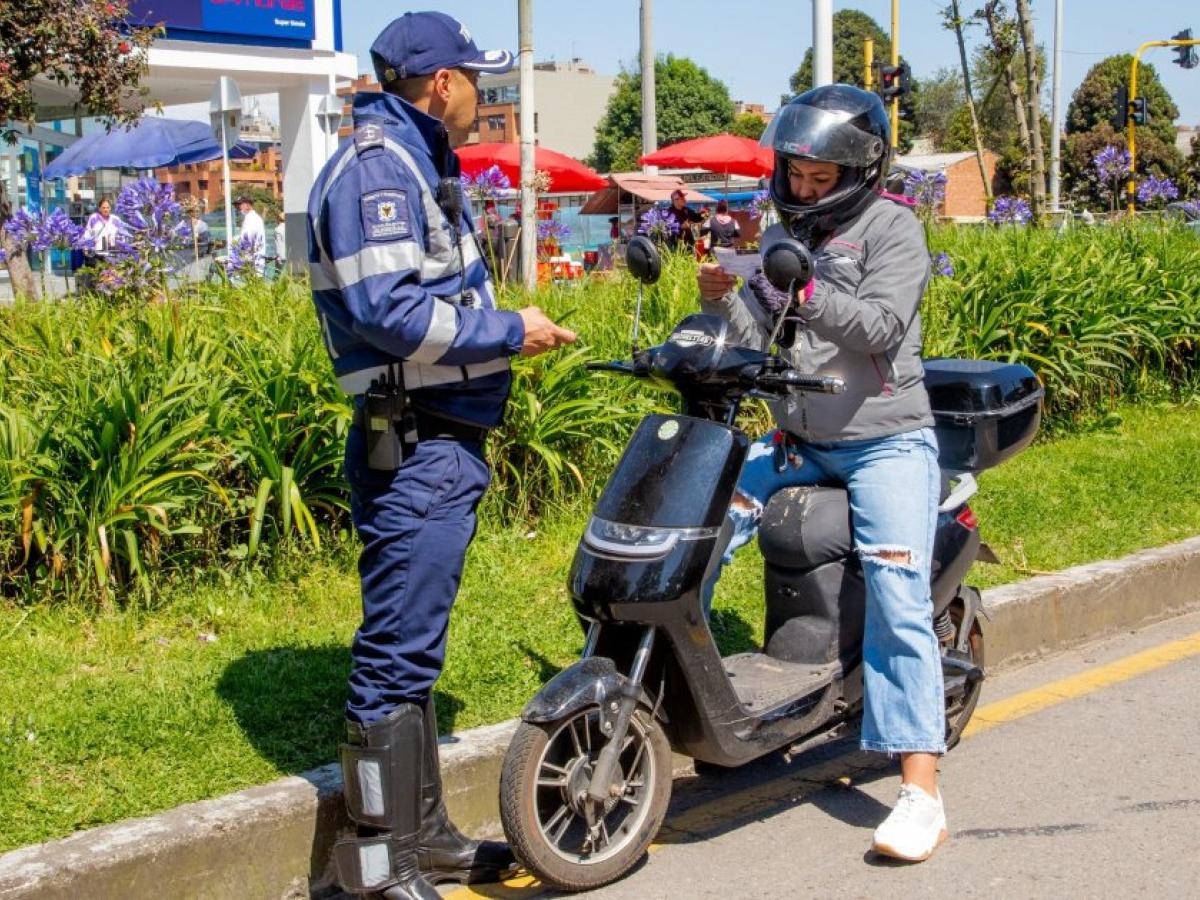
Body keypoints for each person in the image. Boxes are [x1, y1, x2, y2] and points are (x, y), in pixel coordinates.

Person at [306, 11, 576, 900]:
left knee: (414, 651)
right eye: (479, 83)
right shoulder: (378, 168)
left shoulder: (413, 160)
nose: (482, 98)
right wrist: (513, 329)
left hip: (437, 444)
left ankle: (421, 840)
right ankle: (377, 870)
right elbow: (388, 311)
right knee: (393, 656)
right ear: (443, 84)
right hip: (415, 441)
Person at [697, 85, 947, 864]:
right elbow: (765, 338)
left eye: (818, 179)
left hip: (886, 443)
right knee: (697, 533)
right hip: (796, 440)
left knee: (898, 593)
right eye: (795, 175)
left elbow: (878, 326)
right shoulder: (783, 232)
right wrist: (729, 299)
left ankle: (920, 792)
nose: (803, 190)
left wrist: (800, 283)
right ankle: (666, 696)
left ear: (860, 170)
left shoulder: (893, 227)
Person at [79, 197, 126, 292]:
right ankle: (97, 296)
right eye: (103, 207)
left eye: (108, 207)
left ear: (110, 208)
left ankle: (109, 297)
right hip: (98, 253)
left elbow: (123, 234)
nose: (106, 209)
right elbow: (88, 233)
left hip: (112, 253)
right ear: (99, 208)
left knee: (111, 278)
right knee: (98, 277)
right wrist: (86, 247)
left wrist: (121, 245)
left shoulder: (116, 219)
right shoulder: (93, 218)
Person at [234, 195, 266, 275]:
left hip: (253, 259)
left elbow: (247, 239)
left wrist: (236, 243)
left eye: (240, 205)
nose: (238, 208)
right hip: (252, 258)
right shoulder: (250, 217)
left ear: (247, 205)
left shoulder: (252, 219)